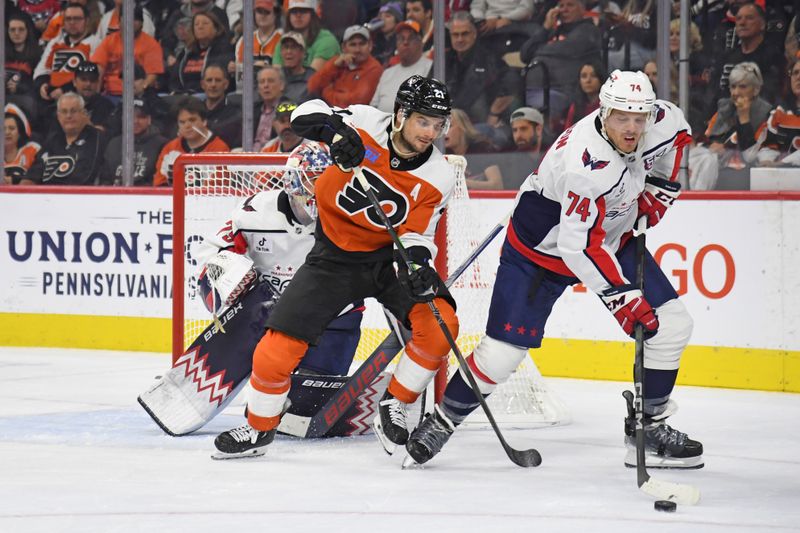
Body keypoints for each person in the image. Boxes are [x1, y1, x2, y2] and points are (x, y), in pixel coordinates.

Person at [405, 70, 704, 473]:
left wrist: (659, 191)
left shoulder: (662, 120)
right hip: (539, 251)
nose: (632, 127)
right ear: (603, 112)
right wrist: (622, 299)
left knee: (671, 326)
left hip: (612, 237)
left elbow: (677, 140)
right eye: (621, 117)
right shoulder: (587, 163)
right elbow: (577, 247)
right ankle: (441, 423)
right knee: (501, 355)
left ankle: (648, 428)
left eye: (640, 117)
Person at [212, 75, 460, 459]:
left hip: (388, 258)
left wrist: (420, 265)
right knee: (274, 353)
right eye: (422, 121)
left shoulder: (440, 174)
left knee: (441, 324)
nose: (430, 133)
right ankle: (259, 429)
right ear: (400, 114)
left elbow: (419, 233)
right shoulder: (363, 120)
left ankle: (396, 401)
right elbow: (302, 113)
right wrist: (334, 132)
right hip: (334, 257)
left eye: (437, 125)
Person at [197, 142, 363, 380]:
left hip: (334, 321)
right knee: (267, 399)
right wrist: (223, 272)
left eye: (333, 180)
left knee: (305, 405)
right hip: (269, 318)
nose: (325, 188)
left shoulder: (351, 219)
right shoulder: (255, 212)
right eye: (316, 179)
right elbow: (212, 250)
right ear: (294, 181)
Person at [520, 0, 601, 125]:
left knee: (543, 108)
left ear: (582, 9)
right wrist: (546, 27)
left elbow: (564, 50)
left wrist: (537, 52)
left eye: (570, 5)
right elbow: (525, 54)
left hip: (566, 91)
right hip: (535, 90)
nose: (564, 9)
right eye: (561, 6)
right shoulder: (552, 31)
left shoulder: (588, 30)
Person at [704, 62, 770, 184]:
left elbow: (750, 156)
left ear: (756, 90)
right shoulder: (724, 108)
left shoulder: (767, 114)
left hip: (751, 177)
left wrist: (744, 116)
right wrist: (716, 146)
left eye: (742, 87)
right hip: (718, 173)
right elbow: (709, 142)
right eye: (733, 87)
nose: (736, 93)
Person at [25, 92, 106, 185]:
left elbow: (84, 179)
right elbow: (33, 175)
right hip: (47, 196)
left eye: (73, 111)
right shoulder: (52, 139)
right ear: (58, 116)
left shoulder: (96, 137)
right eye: (64, 111)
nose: (68, 116)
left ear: (84, 114)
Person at [153, 96, 230, 187]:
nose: (187, 126)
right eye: (182, 122)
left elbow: (219, 188)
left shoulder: (220, 149)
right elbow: (159, 185)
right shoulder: (170, 149)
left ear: (204, 121)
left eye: (192, 120)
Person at [34, 3, 102, 107]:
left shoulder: (96, 43)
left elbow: (91, 76)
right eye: (68, 19)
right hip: (50, 96)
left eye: (77, 19)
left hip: (79, 98)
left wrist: (64, 90)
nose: (72, 22)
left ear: (87, 21)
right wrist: (42, 85)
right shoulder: (54, 42)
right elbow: (41, 70)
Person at [90, 5, 164, 99]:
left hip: (139, 95)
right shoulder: (108, 41)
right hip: (111, 94)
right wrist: (96, 95)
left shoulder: (151, 44)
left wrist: (142, 88)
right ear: (119, 21)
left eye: (135, 19)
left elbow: (152, 75)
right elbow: (98, 69)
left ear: (141, 23)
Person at [307, 25, 384, 108]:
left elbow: (357, 102)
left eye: (362, 44)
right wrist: (334, 66)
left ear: (370, 46)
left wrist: (326, 92)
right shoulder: (337, 61)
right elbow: (312, 87)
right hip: (329, 113)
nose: (357, 50)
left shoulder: (374, 68)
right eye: (353, 45)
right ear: (344, 47)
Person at [370, 20, 432, 114]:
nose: (405, 42)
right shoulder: (387, 73)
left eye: (411, 38)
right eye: (401, 38)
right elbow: (373, 106)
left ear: (421, 42)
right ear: (397, 44)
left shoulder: (430, 67)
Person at [101, 99, 168, 186]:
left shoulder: (162, 144)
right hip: (115, 195)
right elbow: (105, 179)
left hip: (147, 196)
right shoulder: (113, 143)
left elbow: (161, 180)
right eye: (130, 117)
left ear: (149, 120)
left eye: (141, 117)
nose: (135, 121)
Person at [169, 11, 234, 95]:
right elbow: (175, 79)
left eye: (205, 23)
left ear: (216, 29)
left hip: (208, 95)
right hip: (185, 95)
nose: (200, 27)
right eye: (196, 24)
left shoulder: (225, 49)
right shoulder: (186, 52)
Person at [272, 0, 340, 72]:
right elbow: (277, 75)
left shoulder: (327, 41)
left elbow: (312, 77)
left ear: (313, 14)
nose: (298, 15)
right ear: (289, 16)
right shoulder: (283, 41)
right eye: (294, 11)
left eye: (303, 11)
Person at [444, 108, 504, 190]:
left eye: (449, 126)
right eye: (442, 128)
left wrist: (461, 181)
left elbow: (497, 185)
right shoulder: (444, 154)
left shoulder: (481, 148)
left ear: (463, 127)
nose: (444, 132)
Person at [229, 0, 282, 92]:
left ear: (275, 14)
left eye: (267, 12)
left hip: (274, 91)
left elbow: (284, 72)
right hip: (246, 91)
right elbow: (240, 76)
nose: (262, 15)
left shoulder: (283, 39)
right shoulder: (244, 40)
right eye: (259, 11)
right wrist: (234, 68)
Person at [757, 60, 800, 167]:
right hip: (781, 177)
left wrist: (780, 164)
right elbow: (768, 145)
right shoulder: (780, 112)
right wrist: (767, 161)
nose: (798, 77)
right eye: (795, 73)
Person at [5, 12, 42, 125]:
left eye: (21, 29)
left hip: (25, 97)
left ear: (28, 31)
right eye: (12, 29)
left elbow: (39, 83)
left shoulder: (38, 54)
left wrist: (19, 87)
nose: (16, 33)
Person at [499, 106, 548, 190]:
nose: (518, 135)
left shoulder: (552, 154)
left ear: (538, 129)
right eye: (515, 130)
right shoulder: (511, 163)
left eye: (523, 129)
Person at [201, 63, 243, 148]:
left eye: (218, 80)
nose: (213, 85)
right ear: (203, 85)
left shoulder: (236, 112)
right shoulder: (196, 110)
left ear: (226, 84)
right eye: (209, 80)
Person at [253, 65, 288, 150]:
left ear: (282, 85)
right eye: (262, 82)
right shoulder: (252, 110)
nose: (266, 85)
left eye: (271, 81)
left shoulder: (288, 108)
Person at [3, 105, 41, 185]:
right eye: (3, 129)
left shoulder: (32, 150)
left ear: (19, 133)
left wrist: (14, 180)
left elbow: (39, 177)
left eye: (12, 128)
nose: (7, 132)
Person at [563, 61, 605, 130]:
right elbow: (567, 134)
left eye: (593, 75)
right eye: (584, 76)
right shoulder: (575, 107)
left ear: (601, 79)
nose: (588, 80)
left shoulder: (607, 106)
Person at [279, 32, 313, 104]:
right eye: (285, 47)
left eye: (293, 47)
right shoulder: (276, 77)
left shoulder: (313, 78)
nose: (289, 51)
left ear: (303, 53)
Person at [370, 2, 404, 66]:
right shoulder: (375, 39)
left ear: (397, 21)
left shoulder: (401, 40)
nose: (382, 19)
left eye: (387, 16)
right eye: (380, 16)